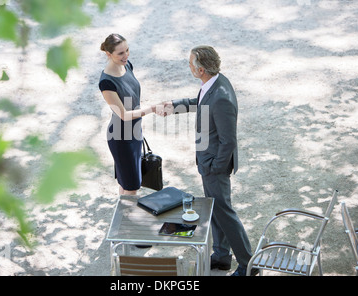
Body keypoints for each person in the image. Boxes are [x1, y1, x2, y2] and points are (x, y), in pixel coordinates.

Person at [162, 46, 257, 276]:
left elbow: (228, 141)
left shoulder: (222, 98)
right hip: (208, 162)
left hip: (215, 165)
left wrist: (214, 167)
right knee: (216, 209)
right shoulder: (214, 82)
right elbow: (201, 101)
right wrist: (174, 106)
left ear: (201, 69)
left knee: (224, 211)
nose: (189, 66)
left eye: (190, 64)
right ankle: (222, 255)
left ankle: (248, 264)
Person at [99, 33, 158, 196]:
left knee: (127, 183)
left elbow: (133, 97)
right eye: (120, 53)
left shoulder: (127, 65)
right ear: (108, 54)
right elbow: (123, 115)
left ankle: (122, 218)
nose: (126, 56)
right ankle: (127, 220)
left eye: (127, 50)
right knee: (132, 186)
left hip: (135, 132)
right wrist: (152, 109)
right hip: (121, 138)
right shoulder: (106, 82)